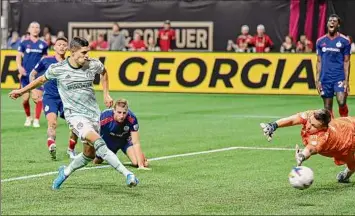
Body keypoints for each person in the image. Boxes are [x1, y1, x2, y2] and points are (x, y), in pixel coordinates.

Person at [9, 36, 139, 189]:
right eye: (84, 52)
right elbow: (40, 80)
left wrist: (106, 93)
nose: (87, 55)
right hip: (74, 115)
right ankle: (128, 175)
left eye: (88, 52)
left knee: (88, 155)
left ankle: (65, 172)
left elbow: (104, 72)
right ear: (73, 52)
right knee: (99, 142)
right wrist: (21, 91)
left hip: (93, 114)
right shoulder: (59, 68)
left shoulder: (93, 64)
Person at [260, 109, 355, 183]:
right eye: (310, 121)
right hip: (345, 123)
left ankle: (347, 174)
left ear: (324, 127)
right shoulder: (312, 115)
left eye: (314, 126)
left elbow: (310, 149)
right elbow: (293, 120)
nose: (309, 126)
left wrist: (301, 156)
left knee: (351, 164)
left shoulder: (322, 137)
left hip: (346, 143)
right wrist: (273, 125)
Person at [29, 36, 77, 160]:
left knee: (75, 124)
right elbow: (32, 74)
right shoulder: (46, 60)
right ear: (54, 47)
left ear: (67, 48)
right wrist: (33, 90)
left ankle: (71, 149)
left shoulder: (71, 62)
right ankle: (51, 144)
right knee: (52, 122)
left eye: (64, 45)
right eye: (59, 44)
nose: (61, 46)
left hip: (66, 99)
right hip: (50, 97)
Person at [93, 99, 149, 169]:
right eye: (119, 112)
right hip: (109, 141)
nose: (122, 116)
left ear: (127, 111)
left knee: (136, 163)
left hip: (125, 141)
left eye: (124, 113)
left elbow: (136, 142)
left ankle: (142, 158)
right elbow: (95, 134)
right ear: (114, 111)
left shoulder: (132, 118)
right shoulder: (104, 117)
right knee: (96, 161)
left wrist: (141, 166)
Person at [315, 14, 351, 118]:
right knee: (327, 108)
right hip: (325, 78)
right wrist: (317, 79)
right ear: (327, 24)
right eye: (330, 20)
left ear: (338, 25)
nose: (332, 22)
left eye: (334, 21)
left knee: (341, 101)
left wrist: (346, 80)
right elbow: (319, 61)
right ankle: (333, 130)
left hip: (339, 77)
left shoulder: (345, 41)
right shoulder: (320, 41)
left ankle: (345, 121)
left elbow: (347, 61)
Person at [16, 21, 48, 127]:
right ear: (29, 30)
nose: (35, 29)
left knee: (38, 98)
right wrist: (19, 67)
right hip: (25, 76)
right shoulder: (24, 43)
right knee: (25, 99)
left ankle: (36, 120)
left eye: (37, 27)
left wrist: (43, 71)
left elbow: (44, 59)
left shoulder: (43, 44)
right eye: (33, 27)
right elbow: (19, 56)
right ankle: (28, 117)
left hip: (37, 76)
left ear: (39, 30)